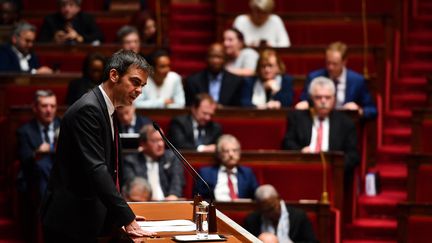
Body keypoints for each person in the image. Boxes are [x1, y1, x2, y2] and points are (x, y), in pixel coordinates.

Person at [41, 50, 155, 242]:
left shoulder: (107, 109)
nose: (139, 91)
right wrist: (126, 217)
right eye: (135, 82)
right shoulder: (89, 109)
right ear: (114, 75)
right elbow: (96, 168)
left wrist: (122, 213)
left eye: (142, 86)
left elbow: (113, 169)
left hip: (88, 217)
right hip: (70, 221)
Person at [283, 76, 359, 177]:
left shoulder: (345, 123)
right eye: (318, 97)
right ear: (311, 98)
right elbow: (287, 143)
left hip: (333, 174)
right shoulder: (297, 118)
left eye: (327, 97)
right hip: (303, 169)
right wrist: (300, 152)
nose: (323, 101)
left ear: (334, 99)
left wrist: (335, 166)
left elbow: (353, 155)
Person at [16, 90, 60, 242]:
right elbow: (24, 160)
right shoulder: (25, 131)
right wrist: (37, 153)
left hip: (61, 177)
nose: (49, 110)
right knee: (42, 165)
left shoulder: (65, 126)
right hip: (34, 179)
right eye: (44, 106)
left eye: (52, 106)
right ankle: (48, 210)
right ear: (35, 108)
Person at [296, 41, 377, 119]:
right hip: (320, 122)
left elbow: (372, 110)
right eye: (328, 63)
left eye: (335, 64)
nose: (330, 67)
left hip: (345, 126)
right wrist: (304, 105)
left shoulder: (357, 81)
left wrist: (359, 110)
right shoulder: (314, 78)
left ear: (344, 62)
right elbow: (304, 101)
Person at [123, 124, 184, 200]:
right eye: (155, 141)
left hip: (168, 203)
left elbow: (176, 182)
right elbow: (134, 189)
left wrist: (173, 196)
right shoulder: (131, 161)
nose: (160, 144)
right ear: (143, 144)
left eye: (162, 140)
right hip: (144, 204)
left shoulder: (172, 158)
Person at [244, 185, 318, 243]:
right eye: (265, 211)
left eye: (272, 208)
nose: (270, 214)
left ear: (278, 198)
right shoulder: (252, 220)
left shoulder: (299, 216)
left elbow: (312, 242)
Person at [195, 134, 258, 201]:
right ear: (219, 154)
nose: (231, 154)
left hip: (241, 210)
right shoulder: (205, 173)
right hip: (215, 210)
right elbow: (198, 199)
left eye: (234, 150)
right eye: (226, 151)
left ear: (239, 153)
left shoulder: (247, 173)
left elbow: (256, 196)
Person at [38, 0, 103, 45]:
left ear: (78, 8)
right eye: (63, 5)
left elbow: (100, 37)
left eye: (71, 5)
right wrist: (53, 39)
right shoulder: (50, 20)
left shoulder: (87, 18)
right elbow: (40, 41)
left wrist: (80, 37)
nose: (67, 9)